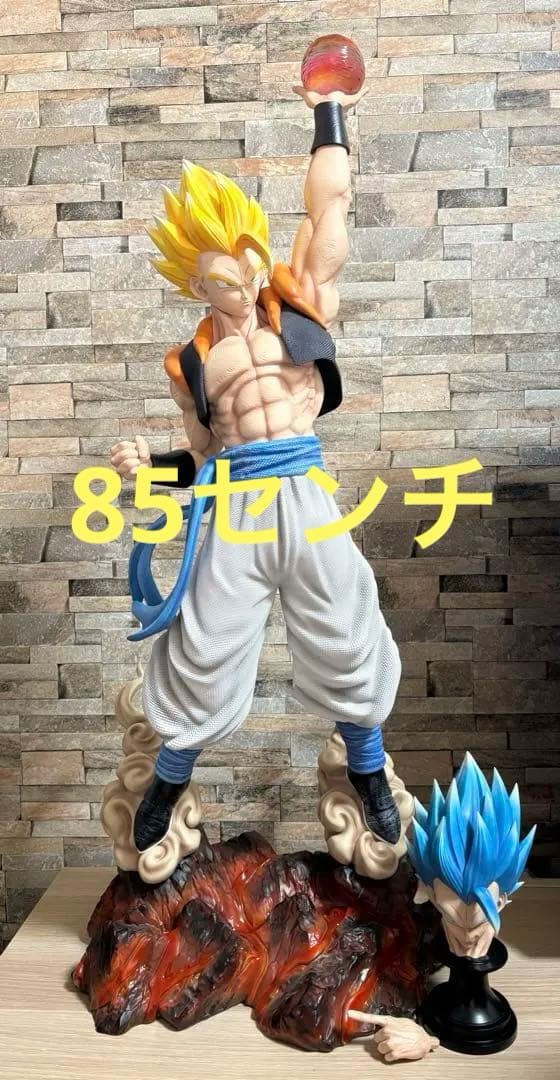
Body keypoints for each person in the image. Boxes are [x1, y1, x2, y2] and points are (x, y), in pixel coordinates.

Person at [110, 82, 402, 854]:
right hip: (237, 501)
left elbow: (330, 210)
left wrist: (328, 112)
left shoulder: (293, 303)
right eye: (223, 279)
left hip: (304, 489)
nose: (241, 285)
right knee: (204, 641)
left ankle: (366, 763)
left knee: (346, 617)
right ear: (195, 286)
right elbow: (201, 456)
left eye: (247, 266)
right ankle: (171, 774)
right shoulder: (190, 362)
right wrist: (149, 468)